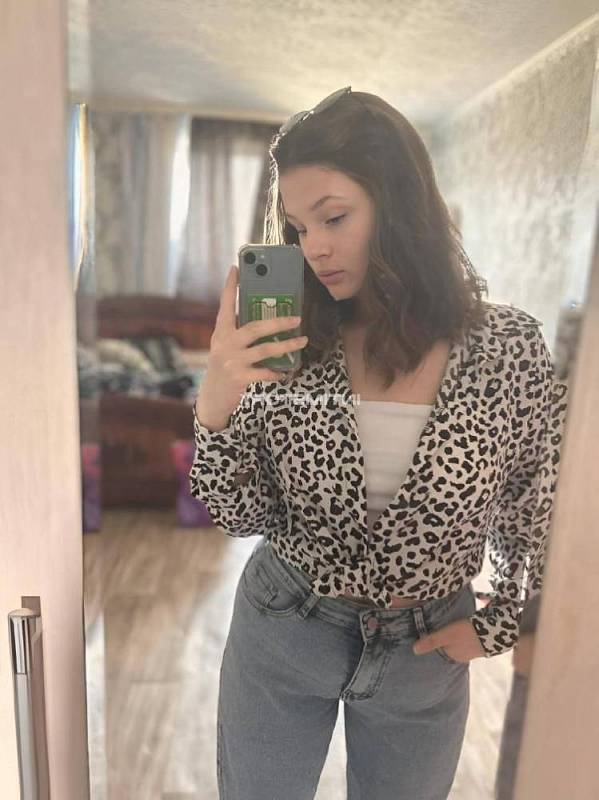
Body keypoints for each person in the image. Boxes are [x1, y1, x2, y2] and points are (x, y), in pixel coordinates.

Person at [190, 87, 567, 800]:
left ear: (399, 205)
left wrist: (500, 625)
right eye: (298, 227)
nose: (314, 247)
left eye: (334, 217)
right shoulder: (293, 342)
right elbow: (238, 514)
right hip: (285, 623)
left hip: (427, 650)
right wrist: (216, 397)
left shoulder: (507, 348)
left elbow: (535, 505)